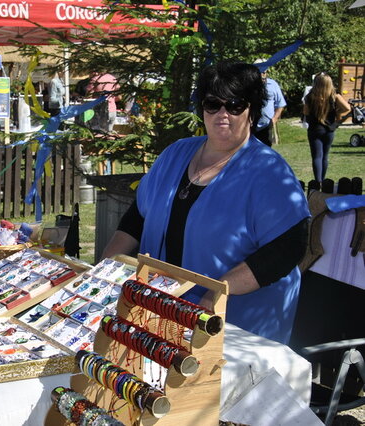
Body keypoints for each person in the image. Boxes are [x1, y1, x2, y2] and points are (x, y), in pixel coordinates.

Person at [102, 61, 310, 344]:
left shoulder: (268, 171)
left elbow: (290, 246)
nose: (223, 114)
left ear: (252, 110)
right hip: (164, 313)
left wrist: (218, 293)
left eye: (235, 105)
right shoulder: (176, 153)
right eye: (213, 104)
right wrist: (103, 271)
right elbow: (137, 218)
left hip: (237, 327)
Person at [303, 72, 351, 183]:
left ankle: (318, 181)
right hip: (329, 130)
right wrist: (336, 114)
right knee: (325, 156)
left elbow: (306, 113)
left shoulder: (309, 97)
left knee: (316, 157)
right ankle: (323, 181)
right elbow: (347, 108)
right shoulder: (334, 96)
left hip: (314, 130)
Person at [251, 61, 286, 147]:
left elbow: (281, 104)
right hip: (250, 126)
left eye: (264, 72)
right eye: (260, 72)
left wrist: (274, 119)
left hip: (266, 125)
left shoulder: (273, 84)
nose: (262, 74)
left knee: (266, 150)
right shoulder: (249, 85)